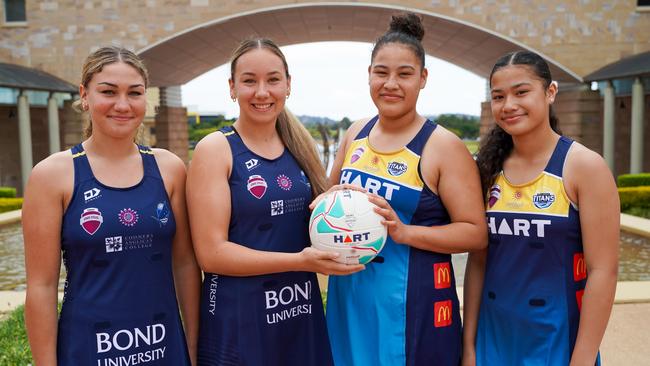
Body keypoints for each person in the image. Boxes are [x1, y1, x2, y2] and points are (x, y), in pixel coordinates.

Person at [186, 38, 363, 366]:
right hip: (241, 320)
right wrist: (299, 261)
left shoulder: (300, 146)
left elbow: (319, 220)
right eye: (249, 81)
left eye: (273, 79)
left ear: (288, 85)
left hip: (300, 311)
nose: (262, 92)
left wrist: (353, 205)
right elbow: (211, 254)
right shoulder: (216, 149)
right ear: (232, 87)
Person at [324, 13, 488, 366]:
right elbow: (328, 197)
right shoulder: (356, 133)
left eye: (404, 74)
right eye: (381, 72)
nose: (391, 84)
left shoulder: (443, 145)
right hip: (349, 296)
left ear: (423, 78)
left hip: (412, 304)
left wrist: (404, 232)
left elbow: (475, 234)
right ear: (368, 74)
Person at [22, 46, 201, 365]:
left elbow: (185, 265)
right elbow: (41, 286)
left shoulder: (169, 168)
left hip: (163, 346)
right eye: (108, 91)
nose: (122, 104)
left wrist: (193, 347)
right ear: (85, 95)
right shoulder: (52, 175)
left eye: (134, 93)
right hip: (90, 348)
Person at [463, 50, 619, 366]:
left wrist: (584, 358)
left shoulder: (583, 166)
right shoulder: (487, 169)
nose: (509, 105)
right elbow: (478, 261)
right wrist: (469, 347)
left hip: (555, 341)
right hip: (493, 339)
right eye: (498, 96)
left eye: (521, 92)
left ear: (550, 92)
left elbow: (603, 271)